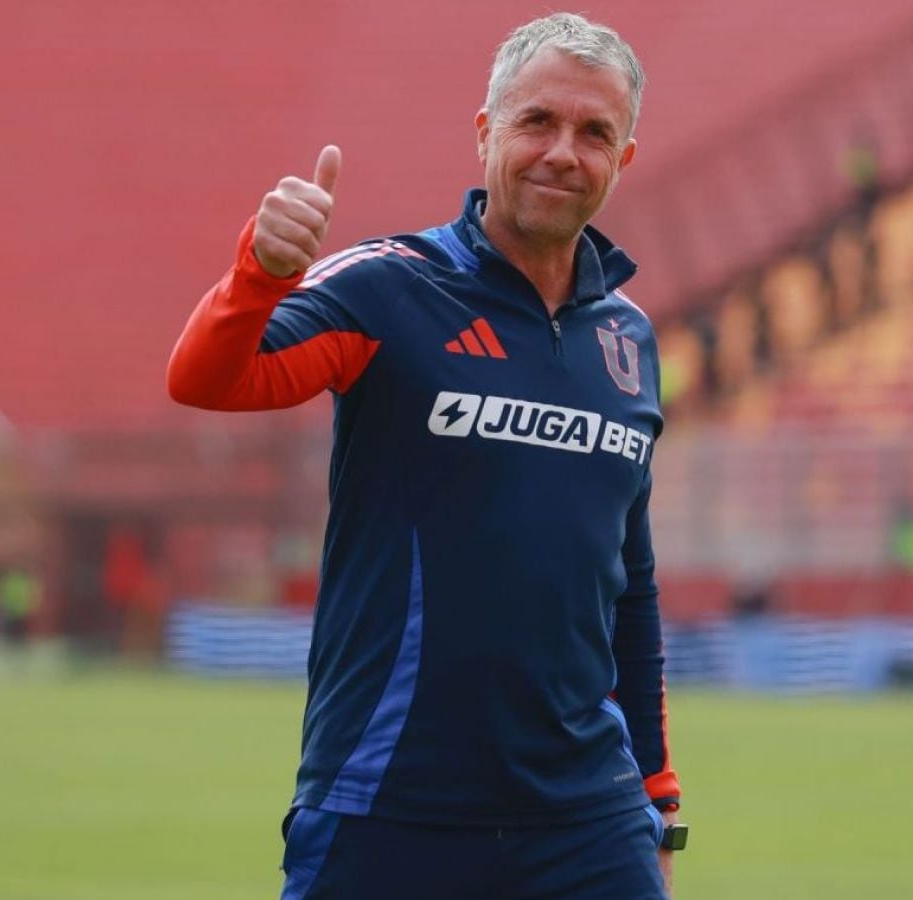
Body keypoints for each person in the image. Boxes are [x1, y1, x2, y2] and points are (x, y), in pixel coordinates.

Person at [168, 13, 682, 899]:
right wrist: (259, 272)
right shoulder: (388, 287)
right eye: (537, 122)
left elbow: (626, 585)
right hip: (389, 802)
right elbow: (212, 379)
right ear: (486, 131)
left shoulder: (627, 340)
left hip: (587, 823)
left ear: (623, 158)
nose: (563, 152)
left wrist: (657, 797)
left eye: (595, 132)